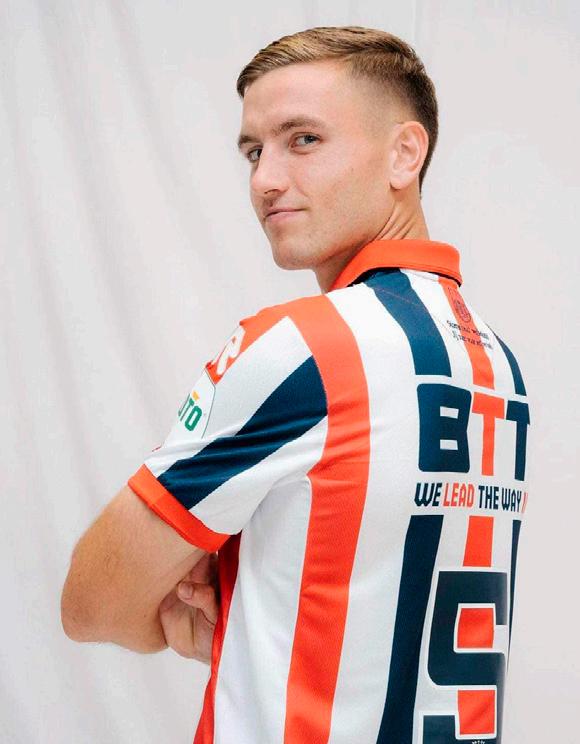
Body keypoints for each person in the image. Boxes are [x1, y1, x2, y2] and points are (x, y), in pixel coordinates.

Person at [61, 25, 531, 744]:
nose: (264, 180)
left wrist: (176, 617)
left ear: (405, 153)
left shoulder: (305, 347)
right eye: (254, 151)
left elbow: (92, 603)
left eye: (303, 140)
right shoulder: (496, 361)